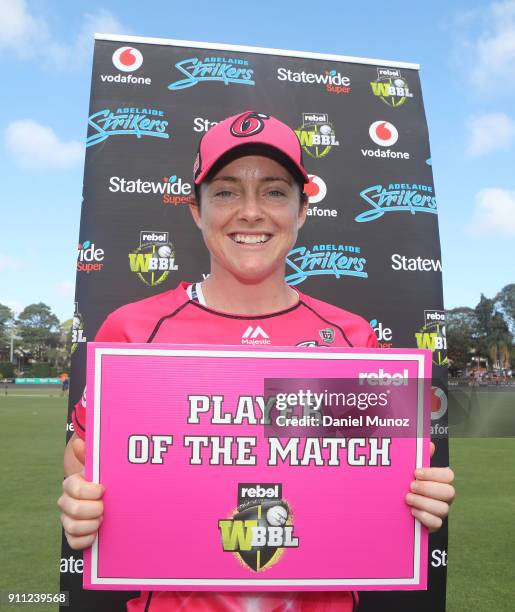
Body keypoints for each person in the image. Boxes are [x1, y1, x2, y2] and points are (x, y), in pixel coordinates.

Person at [58, 111, 455, 611]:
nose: (250, 212)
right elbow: (79, 461)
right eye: (225, 191)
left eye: (274, 191)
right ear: (196, 211)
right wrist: (78, 498)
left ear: (303, 209)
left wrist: (421, 494)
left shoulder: (353, 338)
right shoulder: (134, 331)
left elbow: (381, 480)